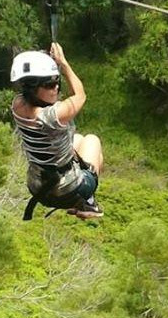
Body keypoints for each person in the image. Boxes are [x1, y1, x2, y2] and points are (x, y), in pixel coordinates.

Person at [10, 42, 104, 219]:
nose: (56, 88)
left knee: (77, 139)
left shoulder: (17, 105)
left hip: (38, 187)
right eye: (49, 85)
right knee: (92, 141)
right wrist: (64, 63)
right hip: (68, 191)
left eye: (56, 82)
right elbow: (80, 95)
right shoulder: (54, 115)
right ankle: (88, 201)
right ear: (32, 88)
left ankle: (85, 199)